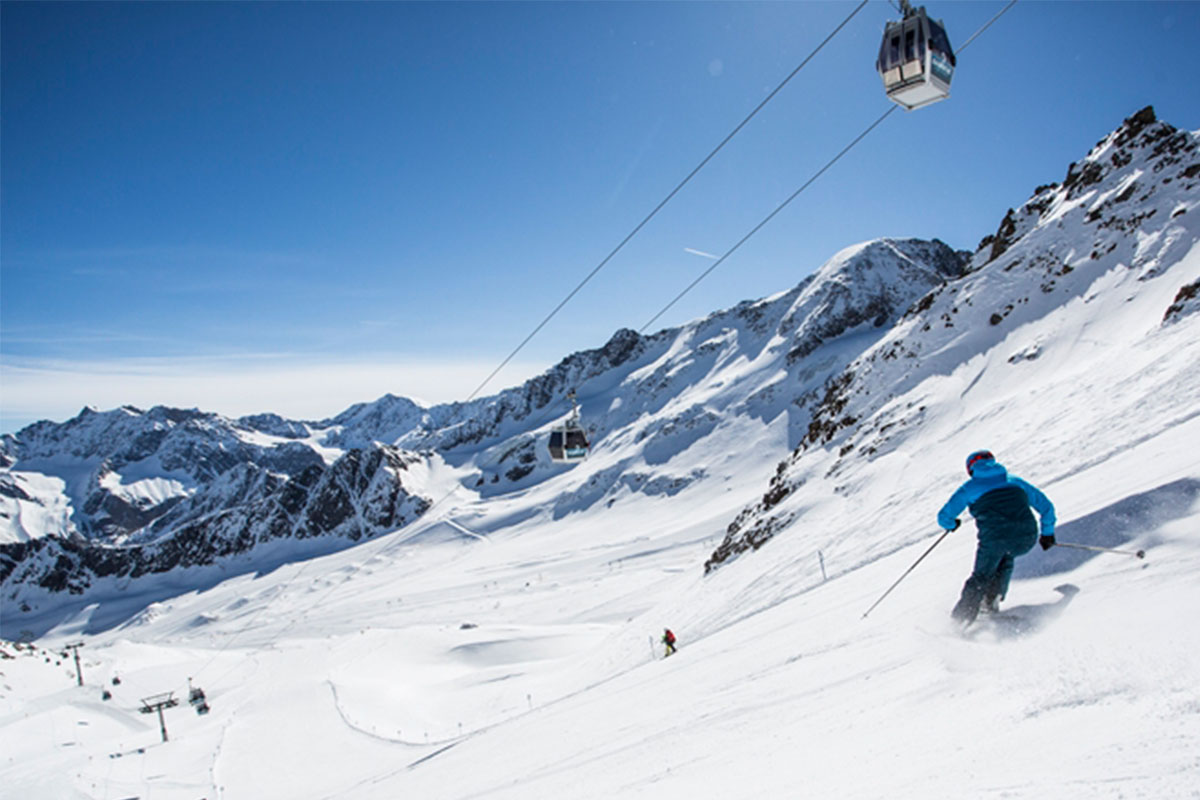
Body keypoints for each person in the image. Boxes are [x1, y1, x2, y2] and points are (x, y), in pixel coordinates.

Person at [937, 450, 1056, 624]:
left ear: (970, 469)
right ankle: (991, 601)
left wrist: (952, 524)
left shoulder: (970, 488)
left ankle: (960, 621)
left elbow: (943, 518)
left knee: (981, 575)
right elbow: (1046, 507)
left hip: (995, 540)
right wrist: (1047, 534)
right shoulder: (1015, 481)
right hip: (1026, 537)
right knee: (1006, 556)